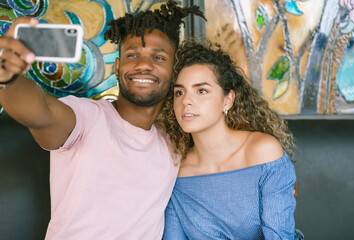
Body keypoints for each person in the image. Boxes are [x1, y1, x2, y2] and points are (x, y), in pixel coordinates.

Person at [0, 1, 205, 239]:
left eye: (158, 58)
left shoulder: (175, 139)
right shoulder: (88, 117)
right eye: (132, 55)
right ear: (117, 66)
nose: (143, 65)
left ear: (174, 71)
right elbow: (40, 113)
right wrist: (8, 79)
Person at [159, 41, 302, 239]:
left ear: (228, 100)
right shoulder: (177, 172)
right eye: (179, 92)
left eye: (201, 91)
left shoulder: (262, 153)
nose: (186, 101)